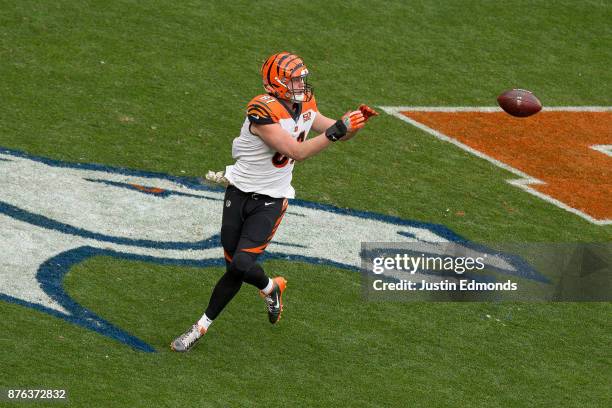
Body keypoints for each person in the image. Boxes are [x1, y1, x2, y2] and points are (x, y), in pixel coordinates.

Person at [171, 52, 378, 352]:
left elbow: (332, 130)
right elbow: (297, 151)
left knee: (239, 265)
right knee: (235, 263)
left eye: (301, 77)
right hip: (239, 191)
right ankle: (271, 287)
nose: (301, 84)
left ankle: (199, 328)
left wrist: (353, 126)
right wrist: (337, 132)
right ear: (277, 83)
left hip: (272, 199)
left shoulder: (305, 103)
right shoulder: (261, 110)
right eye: (295, 79)